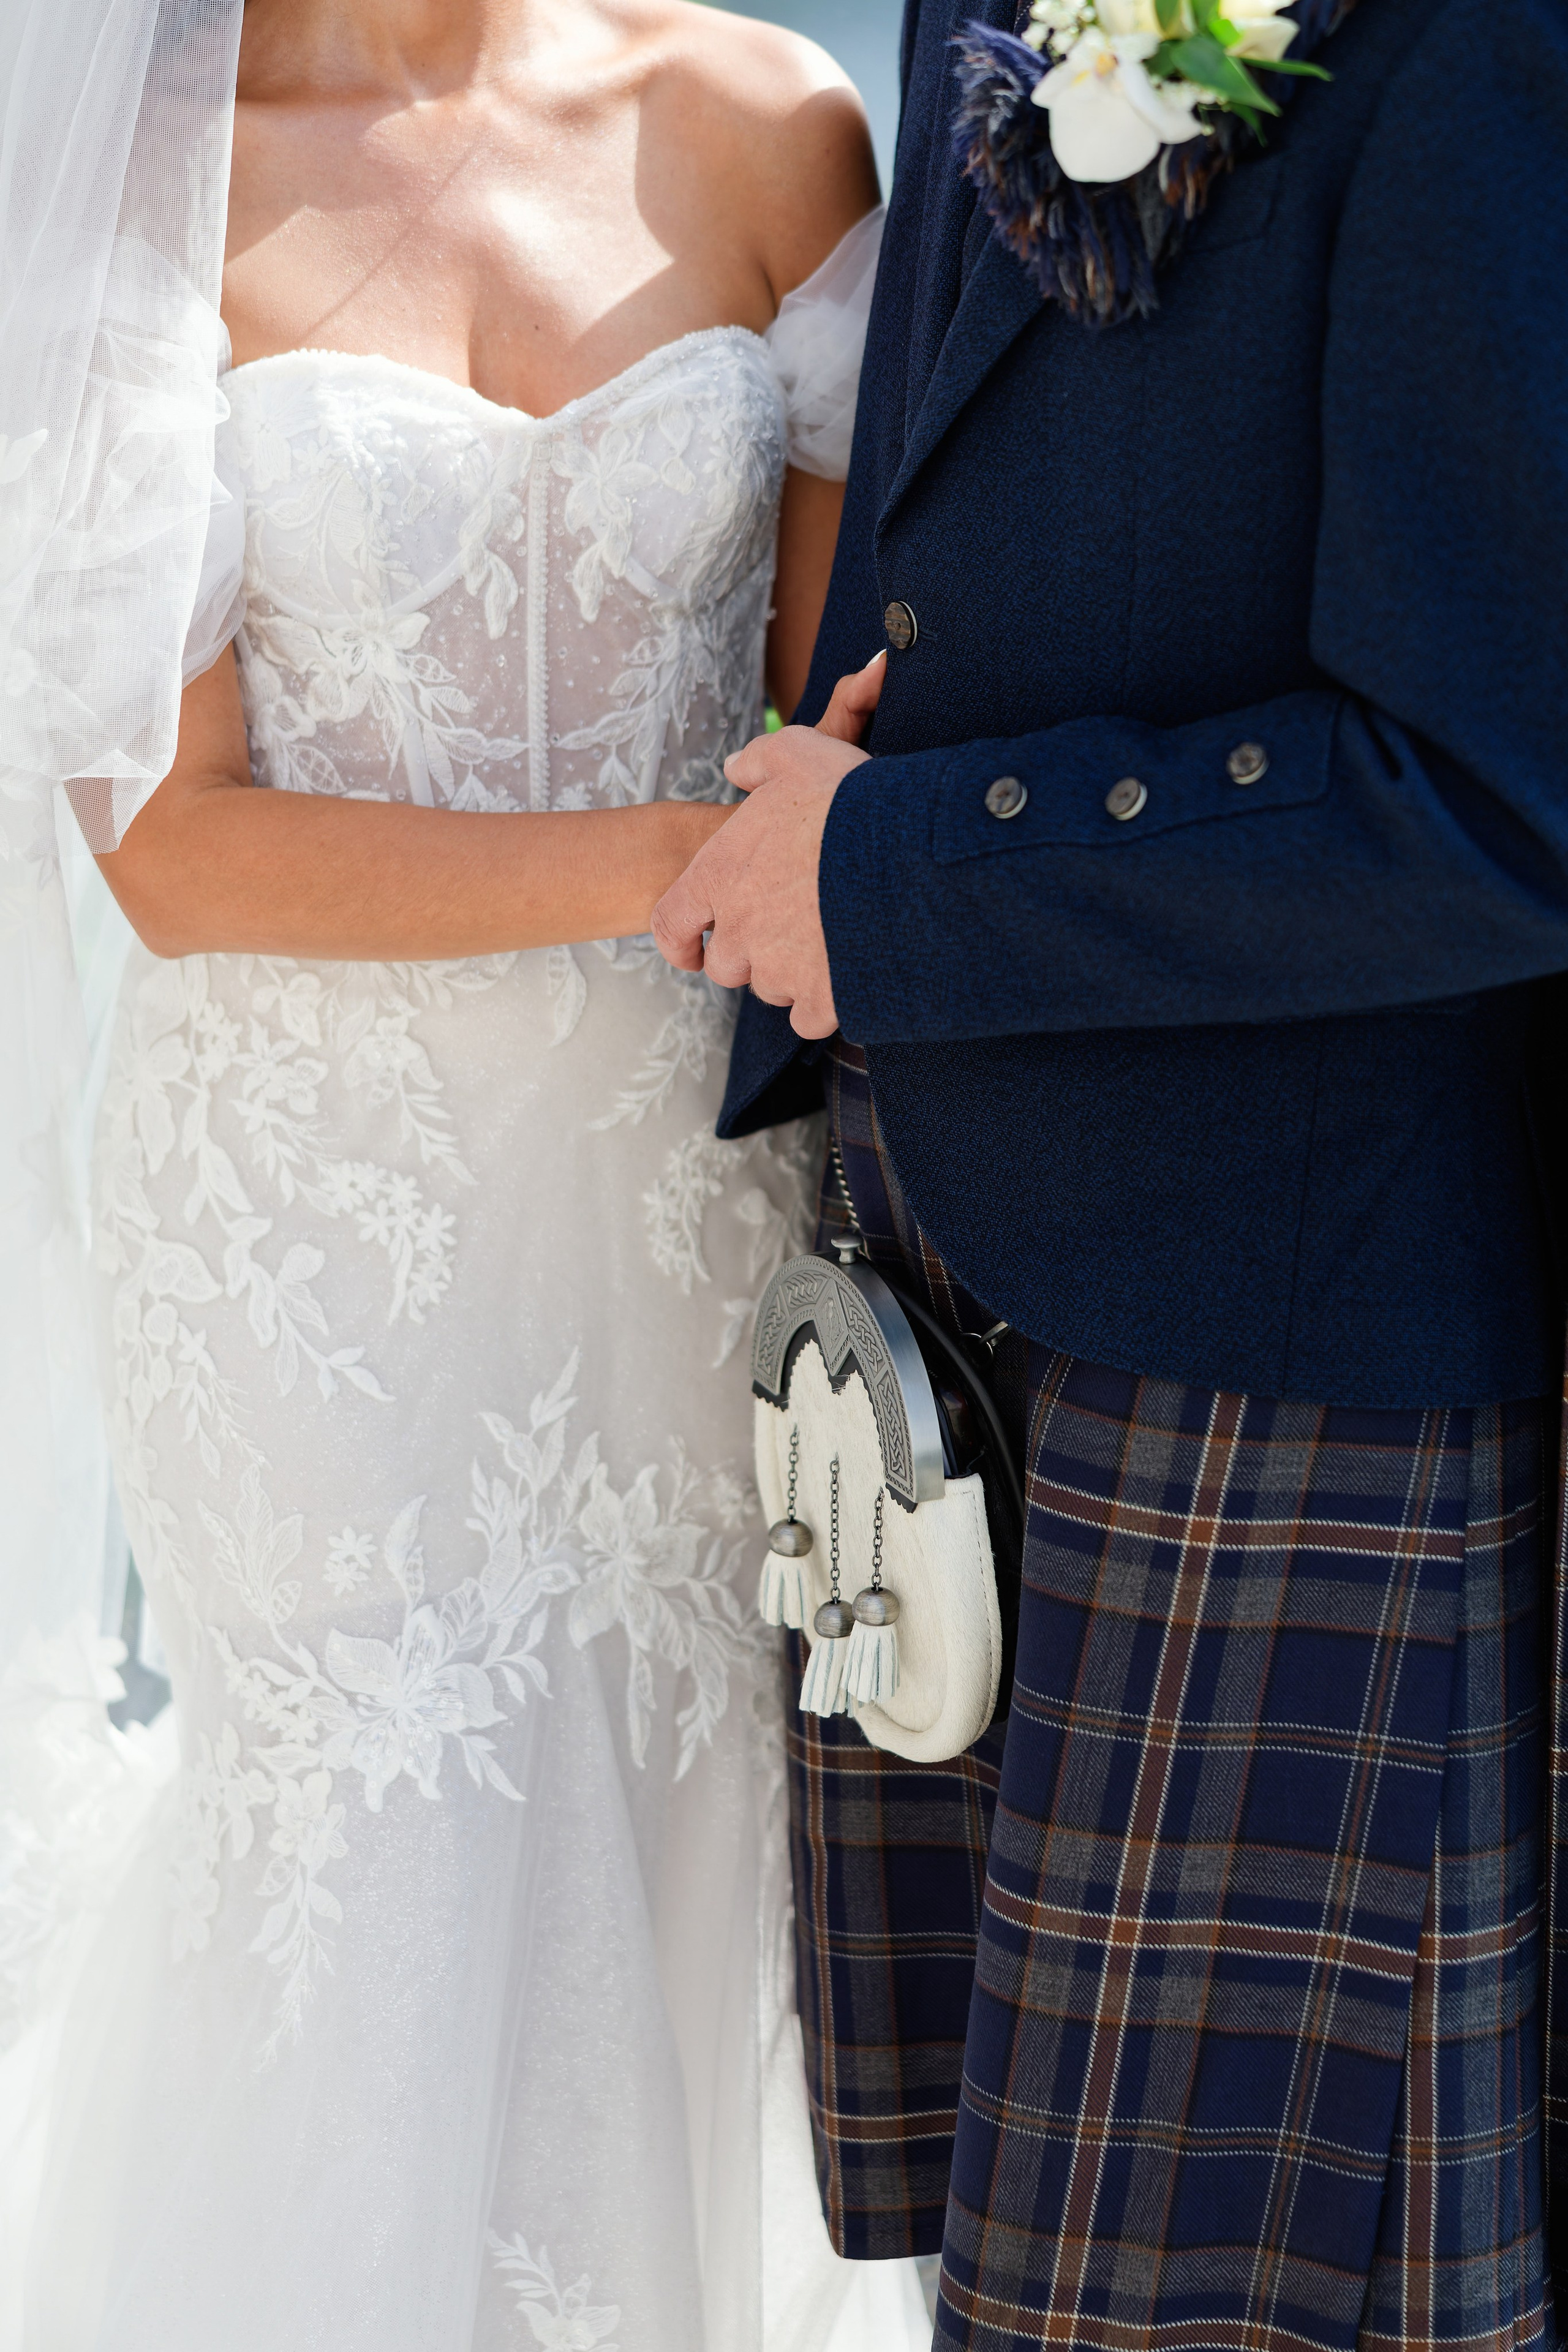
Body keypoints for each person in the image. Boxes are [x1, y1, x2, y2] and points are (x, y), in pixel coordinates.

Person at [0, 1, 935, 2344]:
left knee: (675, 1852)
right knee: (380, 1890)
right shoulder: (147, 180)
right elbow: (171, 848)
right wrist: (662, 859)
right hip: (312, 1243)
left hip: (683, 1218)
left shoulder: (771, 128)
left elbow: (851, 710)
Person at [653, 0, 1568, 2344]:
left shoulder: (1483, 49)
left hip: (1278, 1376)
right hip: (956, 1330)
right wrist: (826, 785)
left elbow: (1491, 799)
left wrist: (897, 880)